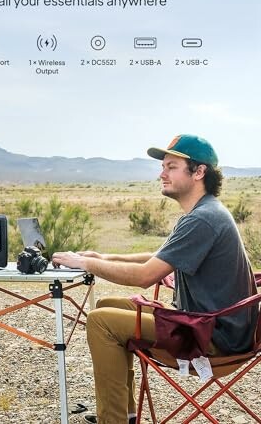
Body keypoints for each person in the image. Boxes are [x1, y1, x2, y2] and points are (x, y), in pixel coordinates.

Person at [53, 134, 258, 424]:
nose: (162, 173)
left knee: (102, 323)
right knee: (107, 304)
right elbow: (157, 257)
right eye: (163, 166)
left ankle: (114, 420)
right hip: (208, 323)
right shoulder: (204, 212)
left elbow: (145, 276)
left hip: (213, 338)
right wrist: (102, 257)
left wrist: (85, 264)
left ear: (199, 172)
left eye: (171, 166)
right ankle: (126, 414)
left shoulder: (202, 219)